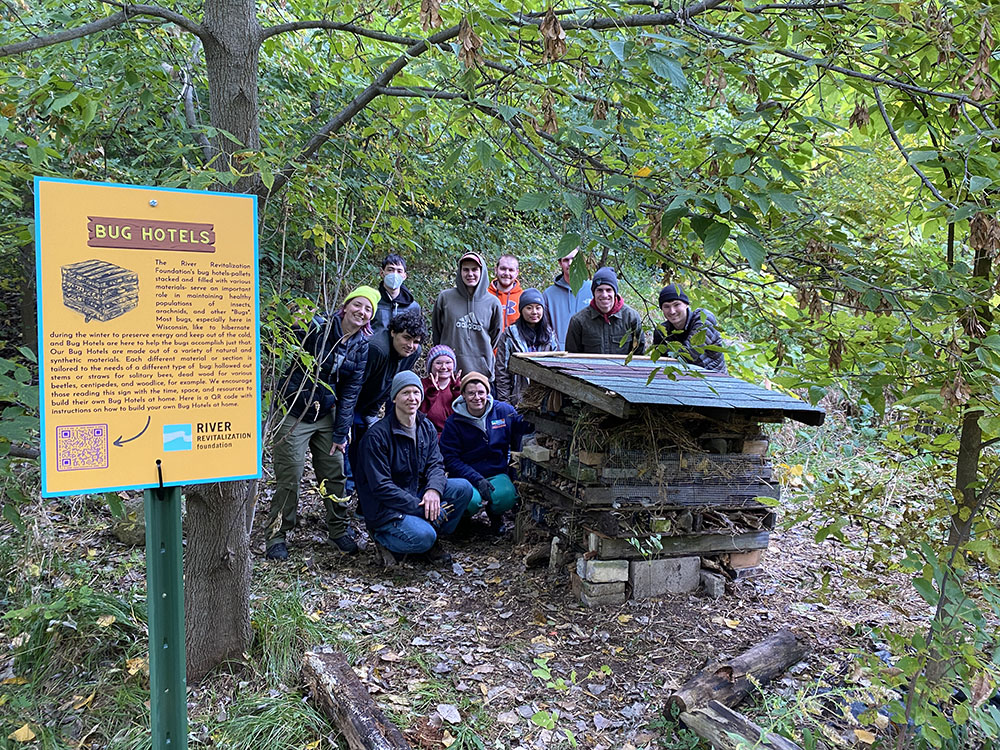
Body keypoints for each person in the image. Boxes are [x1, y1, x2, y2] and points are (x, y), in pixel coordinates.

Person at [266, 285, 379, 561]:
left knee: (335, 473)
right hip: (293, 409)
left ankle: (338, 530)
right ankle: (277, 534)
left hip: (326, 413)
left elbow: (350, 391)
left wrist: (341, 433)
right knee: (289, 475)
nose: (361, 312)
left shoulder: (361, 346)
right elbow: (283, 337)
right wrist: (290, 318)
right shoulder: (318, 327)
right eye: (358, 305)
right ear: (346, 305)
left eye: (368, 310)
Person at [357, 371, 474, 563]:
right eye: (405, 393)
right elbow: (381, 487)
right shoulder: (376, 437)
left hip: (417, 493)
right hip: (387, 507)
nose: (412, 398)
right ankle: (383, 538)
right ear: (394, 398)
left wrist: (433, 491)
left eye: (416, 392)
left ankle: (431, 534)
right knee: (423, 537)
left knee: (463, 489)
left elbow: (436, 464)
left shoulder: (425, 427)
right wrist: (421, 509)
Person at [439, 372, 532, 532]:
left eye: (481, 392)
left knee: (507, 496)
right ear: (463, 395)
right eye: (471, 393)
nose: (477, 397)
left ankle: (495, 515)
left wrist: (539, 413)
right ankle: (464, 520)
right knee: (470, 501)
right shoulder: (454, 422)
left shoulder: (503, 411)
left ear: (488, 393)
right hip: (465, 475)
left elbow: (523, 425)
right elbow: (450, 459)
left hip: (496, 471)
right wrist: (476, 479)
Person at [349, 308, 426, 474]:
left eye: (416, 341)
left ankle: (361, 482)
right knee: (347, 443)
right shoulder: (377, 348)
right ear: (393, 332)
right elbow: (353, 385)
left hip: (371, 403)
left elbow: (393, 382)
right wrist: (344, 419)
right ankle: (346, 487)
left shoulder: (413, 352)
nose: (410, 345)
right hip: (350, 401)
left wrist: (373, 412)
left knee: (366, 444)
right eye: (406, 338)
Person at [431, 251, 502, 378]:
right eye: (466, 270)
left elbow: (495, 336)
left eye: (474, 270)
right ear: (460, 272)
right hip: (449, 371)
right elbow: (437, 332)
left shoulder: (493, 302)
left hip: (481, 372)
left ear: (482, 271)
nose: (470, 274)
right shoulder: (445, 298)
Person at [494, 288, 559, 406]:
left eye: (538, 308)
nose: (534, 312)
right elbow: (502, 372)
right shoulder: (510, 335)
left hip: (543, 400)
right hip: (517, 397)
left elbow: (556, 369)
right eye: (529, 308)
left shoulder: (550, 336)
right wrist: (506, 403)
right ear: (521, 310)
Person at [565, 267, 646, 355]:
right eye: (599, 290)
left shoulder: (631, 318)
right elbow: (572, 358)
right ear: (593, 293)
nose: (604, 295)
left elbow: (639, 355)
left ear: (615, 292)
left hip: (623, 368)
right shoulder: (578, 321)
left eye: (608, 290)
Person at [653, 284, 728, 373]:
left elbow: (690, 354)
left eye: (676, 305)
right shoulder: (661, 331)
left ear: (686, 304)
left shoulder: (704, 319)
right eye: (666, 306)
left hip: (714, 377)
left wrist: (668, 351)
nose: (672, 311)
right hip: (681, 377)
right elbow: (659, 362)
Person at [543, 246, 592, 347]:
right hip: (559, 354)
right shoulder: (549, 294)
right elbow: (545, 328)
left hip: (589, 353)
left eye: (573, 259)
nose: (570, 263)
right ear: (560, 263)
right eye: (566, 260)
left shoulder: (593, 289)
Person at [370, 254, 421, 336]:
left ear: (404, 276)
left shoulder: (413, 307)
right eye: (390, 270)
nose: (395, 274)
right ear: (382, 273)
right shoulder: (372, 302)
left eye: (399, 271)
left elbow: (416, 335)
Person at [420, 344, 462, 433]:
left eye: (448, 363)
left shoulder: (460, 386)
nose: (444, 367)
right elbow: (418, 415)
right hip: (430, 436)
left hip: (455, 436)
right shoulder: (421, 385)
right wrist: (431, 393)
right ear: (430, 366)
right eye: (438, 363)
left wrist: (458, 390)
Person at [488, 253, 523, 330]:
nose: (507, 273)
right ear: (496, 270)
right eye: (503, 269)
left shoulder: (523, 297)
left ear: (517, 273)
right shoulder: (485, 295)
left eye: (511, 270)